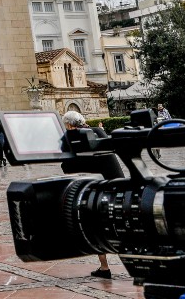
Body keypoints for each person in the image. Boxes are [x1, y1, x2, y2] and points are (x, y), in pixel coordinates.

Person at [62, 110, 125, 279]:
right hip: (119, 184)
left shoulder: (76, 139)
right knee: (120, 226)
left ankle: (105, 268)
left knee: (96, 227)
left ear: (69, 125)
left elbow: (67, 167)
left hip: (103, 189)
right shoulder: (98, 131)